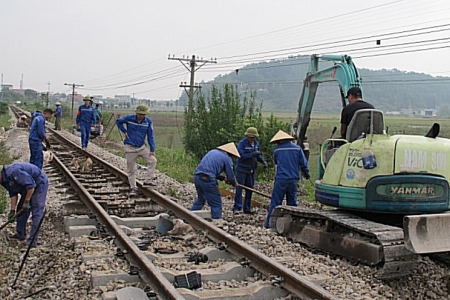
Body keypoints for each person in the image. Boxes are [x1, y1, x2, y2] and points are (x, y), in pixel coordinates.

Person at [265, 130, 310, 228]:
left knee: (276, 202)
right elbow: (303, 164)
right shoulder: (297, 149)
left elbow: (276, 162)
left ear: (279, 141)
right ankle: (292, 225)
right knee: (292, 203)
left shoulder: (277, 150)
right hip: (293, 179)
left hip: (281, 179)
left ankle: (270, 225)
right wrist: (306, 174)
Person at [0, 163, 49, 248]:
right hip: (27, 188)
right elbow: (13, 193)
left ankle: (32, 242)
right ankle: (20, 234)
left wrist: (27, 201)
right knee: (21, 210)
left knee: (36, 213)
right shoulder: (3, 180)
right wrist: (12, 211)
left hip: (38, 184)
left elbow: (31, 186)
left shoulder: (13, 172)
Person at [116, 104, 157, 195]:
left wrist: (152, 149)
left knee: (152, 160)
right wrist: (124, 131)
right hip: (130, 147)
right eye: (139, 114)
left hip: (141, 147)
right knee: (131, 169)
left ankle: (148, 181)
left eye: (143, 114)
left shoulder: (148, 122)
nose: (141, 116)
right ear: (136, 113)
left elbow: (151, 136)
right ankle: (133, 187)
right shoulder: (129, 118)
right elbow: (118, 121)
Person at [191, 142, 239, 220]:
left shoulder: (212, 152)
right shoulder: (227, 158)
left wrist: (223, 178)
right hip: (207, 179)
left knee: (201, 199)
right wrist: (234, 183)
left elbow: (209, 169)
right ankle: (216, 223)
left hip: (197, 176)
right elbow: (230, 175)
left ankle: (190, 216)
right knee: (216, 204)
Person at [233, 127, 268, 214]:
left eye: (253, 137)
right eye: (250, 137)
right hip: (242, 169)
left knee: (250, 189)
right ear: (247, 136)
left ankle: (247, 208)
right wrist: (252, 154)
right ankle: (237, 208)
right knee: (240, 188)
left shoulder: (256, 144)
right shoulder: (242, 144)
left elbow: (258, 155)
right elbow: (241, 155)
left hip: (251, 169)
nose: (252, 138)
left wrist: (263, 161)